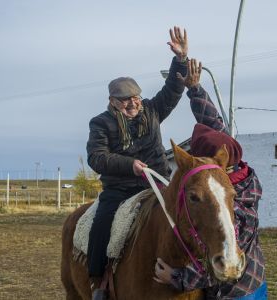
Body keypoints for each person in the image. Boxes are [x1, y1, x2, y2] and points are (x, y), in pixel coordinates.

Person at [86, 26, 189, 300]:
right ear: (112, 101)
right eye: (125, 100)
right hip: (119, 190)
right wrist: (128, 164)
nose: (133, 103)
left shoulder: (153, 110)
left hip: (158, 183)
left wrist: (180, 59)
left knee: (190, 215)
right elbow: (97, 157)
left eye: (135, 97)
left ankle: (198, 272)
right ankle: (98, 282)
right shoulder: (100, 123)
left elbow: (173, 89)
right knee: (101, 226)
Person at [153, 59, 267, 299]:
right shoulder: (228, 166)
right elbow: (213, 124)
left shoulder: (240, 198)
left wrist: (175, 277)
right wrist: (194, 88)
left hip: (240, 290)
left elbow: (227, 263)